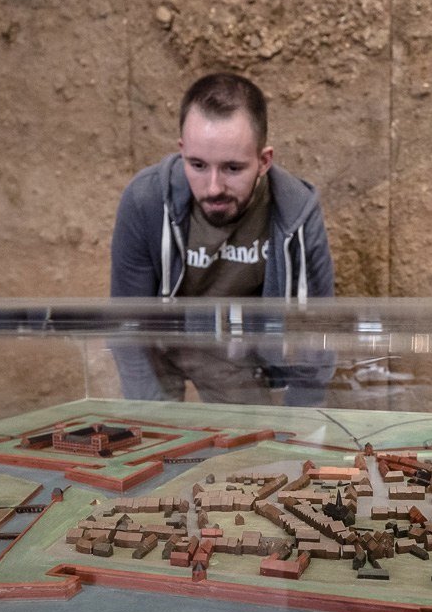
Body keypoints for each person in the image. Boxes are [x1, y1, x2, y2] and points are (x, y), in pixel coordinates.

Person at [109, 73, 335, 404]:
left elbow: (317, 334)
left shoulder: (296, 212)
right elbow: (128, 326)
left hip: (238, 356)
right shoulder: (145, 200)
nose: (213, 187)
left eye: (232, 168)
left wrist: (303, 421)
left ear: (264, 161)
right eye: (198, 165)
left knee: (250, 434)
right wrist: (150, 419)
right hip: (161, 346)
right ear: (182, 151)